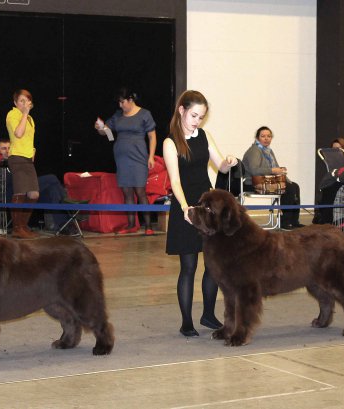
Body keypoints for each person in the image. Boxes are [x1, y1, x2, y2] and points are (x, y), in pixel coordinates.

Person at [163, 90, 238, 337]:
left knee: (213, 265)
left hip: (208, 209)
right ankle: (186, 322)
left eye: (201, 117)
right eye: (194, 115)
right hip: (185, 207)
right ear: (182, 110)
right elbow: (175, 181)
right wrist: (185, 207)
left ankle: (208, 315)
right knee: (188, 267)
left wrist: (229, 160)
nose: (197, 121)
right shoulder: (170, 142)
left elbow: (220, 165)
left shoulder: (204, 136)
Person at [95, 87, 157, 235]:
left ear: (130, 100)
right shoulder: (118, 115)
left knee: (140, 191)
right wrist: (100, 128)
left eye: (122, 102)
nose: (120, 105)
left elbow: (152, 136)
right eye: (119, 103)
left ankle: (148, 226)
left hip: (139, 156)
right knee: (126, 191)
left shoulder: (144, 114)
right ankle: (131, 225)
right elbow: (108, 133)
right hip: (122, 158)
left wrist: (151, 156)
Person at [0, 139, 73, 233]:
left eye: (9, 148)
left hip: (25, 191)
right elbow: (8, 183)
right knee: (52, 178)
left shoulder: (15, 161)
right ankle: (70, 207)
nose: (7, 151)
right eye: (3, 148)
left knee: (52, 190)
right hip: (11, 194)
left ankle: (63, 225)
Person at [242, 126, 305, 229]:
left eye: (269, 136)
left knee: (294, 186)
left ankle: (294, 221)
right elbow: (254, 170)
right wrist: (273, 171)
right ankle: (285, 222)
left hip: (265, 181)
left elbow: (273, 168)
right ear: (257, 138)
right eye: (263, 136)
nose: (266, 138)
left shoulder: (268, 151)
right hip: (253, 183)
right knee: (288, 188)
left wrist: (279, 171)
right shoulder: (254, 151)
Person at [5, 89, 40, 239]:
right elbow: (18, 134)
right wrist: (25, 113)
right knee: (20, 191)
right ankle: (17, 228)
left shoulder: (31, 119)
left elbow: (29, 138)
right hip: (17, 157)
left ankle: (24, 225)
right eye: (21, 101)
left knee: (34, 193)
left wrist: (33, 150)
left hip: (27, 158)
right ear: (15, 103)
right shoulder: (12, 114)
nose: (25, 104)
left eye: (27, 100)